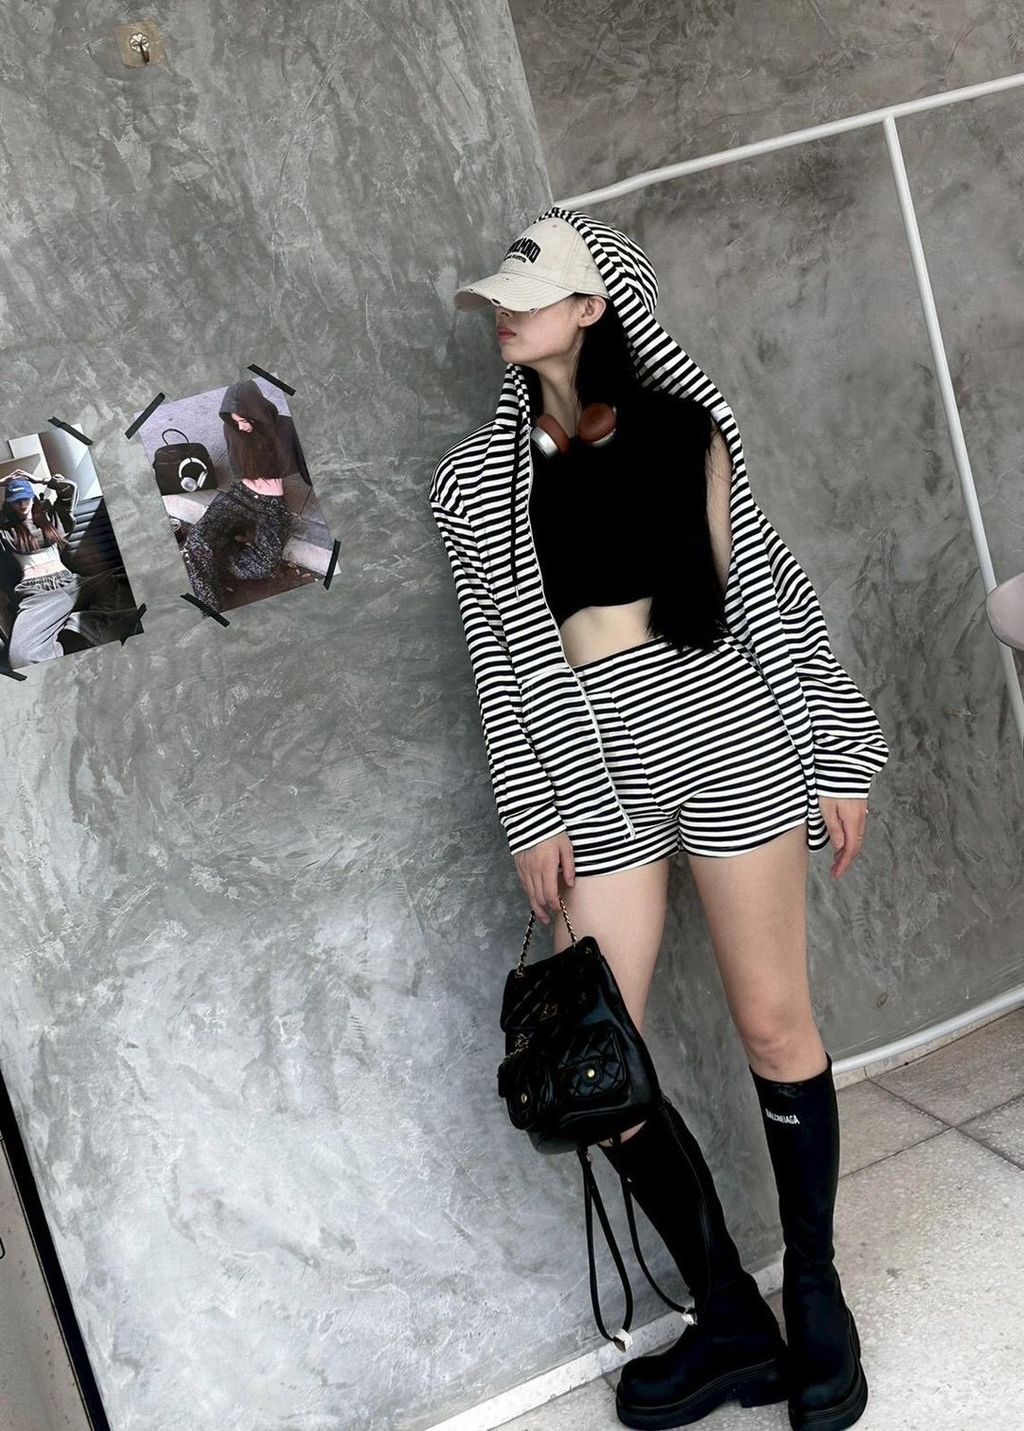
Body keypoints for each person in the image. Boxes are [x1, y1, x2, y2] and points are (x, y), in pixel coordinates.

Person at [429, 208, 890, 1431]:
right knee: (597, 1055)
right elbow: (495, 659)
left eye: (531, 294)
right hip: (586, 766)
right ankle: (727, 1312)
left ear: (594, 306)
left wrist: (835, 748)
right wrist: (529, 810)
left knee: (773, 1019)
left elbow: (768, 595)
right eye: (497, 299)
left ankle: (816, 1290)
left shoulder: (686, 427)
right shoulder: (476, 484)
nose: (503, 314)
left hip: (725, 727)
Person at [0, 471, 140, 667]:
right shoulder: (5, 532)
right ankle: (76, 634)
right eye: (16, 500)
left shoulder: (52, 520)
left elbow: (69, 489)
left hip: (73, 583)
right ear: (9, 503)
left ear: (33, 497)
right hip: (37, 595)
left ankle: (80, 625)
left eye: (25, 498)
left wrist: (42, 480)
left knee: (131, 580)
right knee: (21, 658)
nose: (22, 504)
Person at [180, 379, 296, 612]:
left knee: (262, 566)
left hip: (272, 504)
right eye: (235, 422)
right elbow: (238, 463)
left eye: (244, 420)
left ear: (257, 413)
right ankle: (211, 614)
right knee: (196, 541)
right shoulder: (233, 429)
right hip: (240, 495)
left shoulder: (284, 428)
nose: (240, 427)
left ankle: (213, 554)